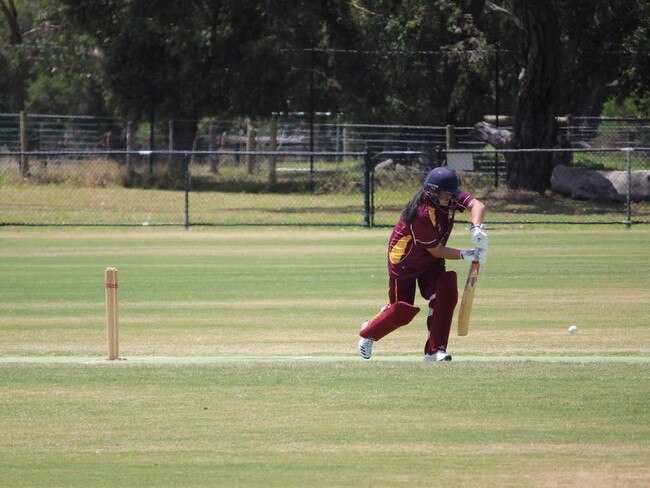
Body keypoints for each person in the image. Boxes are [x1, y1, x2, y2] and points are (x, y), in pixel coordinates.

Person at [357, 166, 489, 361]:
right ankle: (369, 332)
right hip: (404, 262)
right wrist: (466, 254)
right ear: (432, 192)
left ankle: (434, 351)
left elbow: (477, 206)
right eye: (446, 195)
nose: (450, 199)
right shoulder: (422, 215)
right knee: (402, 311)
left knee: (446, 292)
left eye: (452, 194)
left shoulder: (448, 195)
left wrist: (476, 228)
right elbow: (437, 249)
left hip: (431, 260)